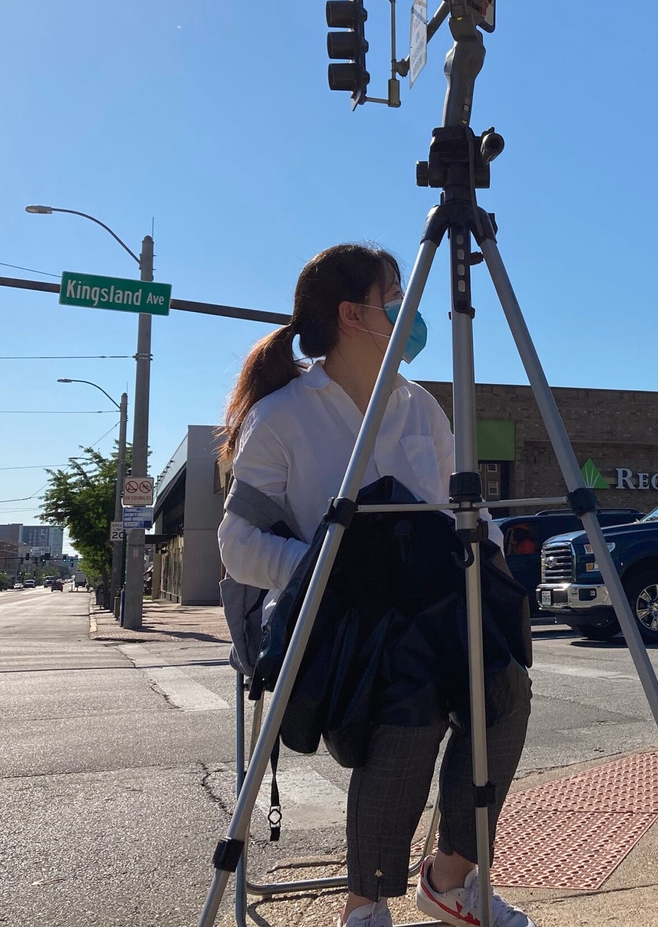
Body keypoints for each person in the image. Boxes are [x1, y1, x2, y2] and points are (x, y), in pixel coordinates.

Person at [217, 244, 535, 927]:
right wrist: (325, 570)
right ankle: (365, 908)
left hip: (428, 609)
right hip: (335, 627)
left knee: (505, 683)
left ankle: (449, 877)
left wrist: (495, 571)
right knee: (409, 686)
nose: (408, 308)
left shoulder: (420, 407)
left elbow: (466, 512)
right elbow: (236, 546)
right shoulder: (282, 417)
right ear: (352, 314)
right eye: (395, 293)